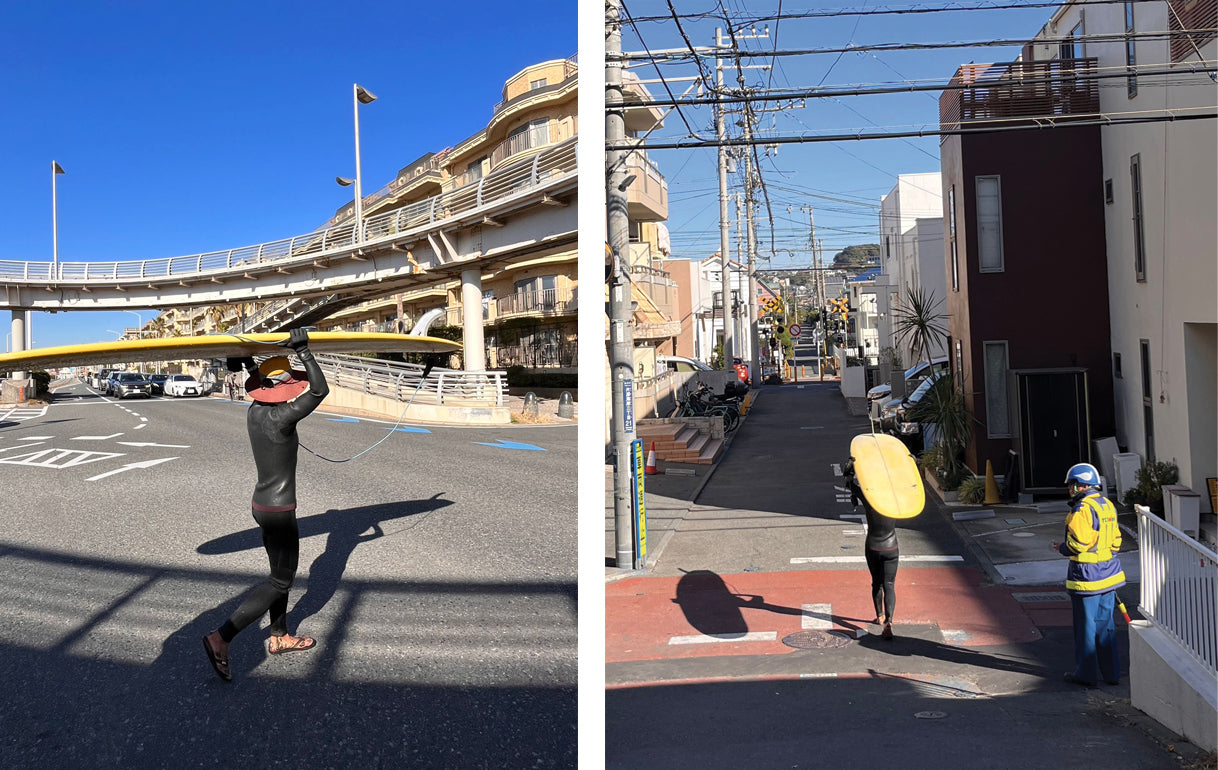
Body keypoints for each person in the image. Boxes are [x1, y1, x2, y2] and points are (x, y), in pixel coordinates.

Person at [203, 328, 330, 682]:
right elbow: (320, 390)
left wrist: (249, 366)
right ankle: (221, 637)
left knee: (279, 576)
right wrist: (303, 351)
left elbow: (263, 386)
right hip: (280, 511)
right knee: (280, 581)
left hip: (261, 505)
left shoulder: (256, 412)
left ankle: (279, 636)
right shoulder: (283, 417)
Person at [1052, 462, 1126, 687]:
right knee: (1107, 626)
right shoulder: (1107, 505)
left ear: (1080, 486)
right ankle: (1112, 674)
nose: (1069, 489)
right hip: (1108, 575)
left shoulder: (1082, 509)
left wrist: (1062, 548)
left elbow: (1078, 544)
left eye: (1071, 485)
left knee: (1086, 627)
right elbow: (1116, 542)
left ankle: (1086, 675)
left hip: (1086, 578)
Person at [844, 458, 899, 639]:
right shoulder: (895, 499)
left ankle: (880, 615)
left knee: (877, 582)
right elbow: (911, 487)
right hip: (892, 546)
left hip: (873, 546)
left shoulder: (870, 500)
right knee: (889, 584)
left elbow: (851, 486)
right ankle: (890, 620)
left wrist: (850, 471)